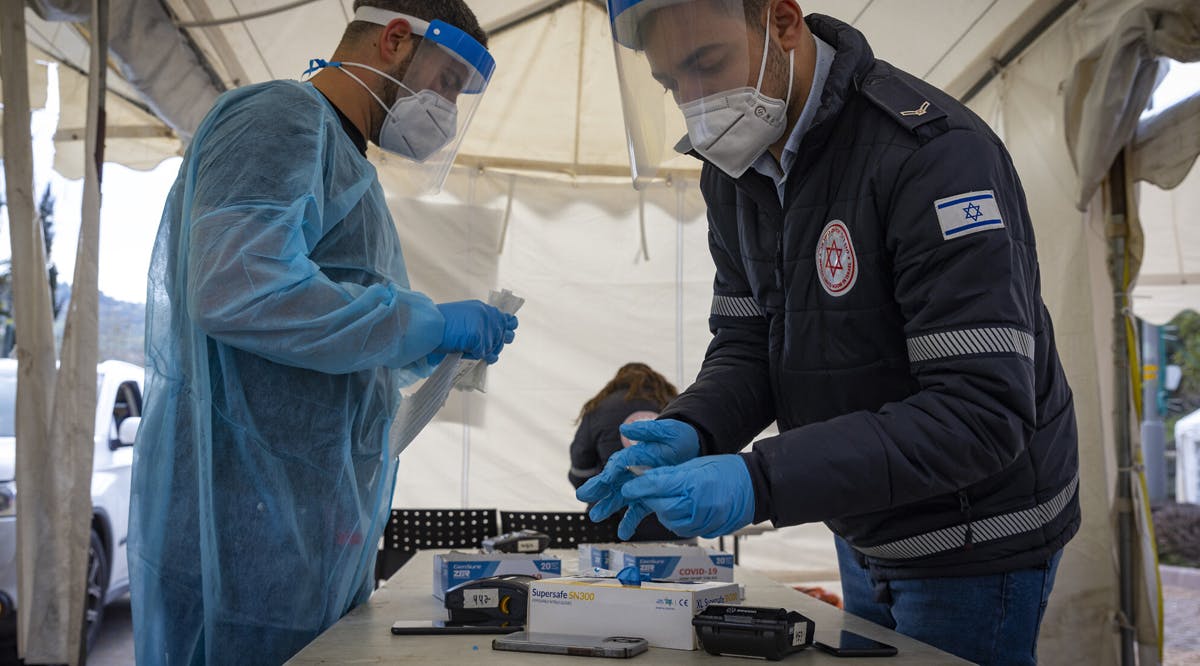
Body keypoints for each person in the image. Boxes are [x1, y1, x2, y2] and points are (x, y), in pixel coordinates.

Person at [579, 1, 1079, 663]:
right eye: (672, 85)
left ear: (783, 22)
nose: (696, 103)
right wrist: (694, 428)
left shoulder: (933, 154)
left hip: (974, 538)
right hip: (864, 517)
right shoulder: (734, 170)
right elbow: (749, 344)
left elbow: (979, 412)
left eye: (707, 64)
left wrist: (759, 482)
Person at [128, 2, 517, 664]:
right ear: (396, 39)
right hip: (240, 526)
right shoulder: (279, 121)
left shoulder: (345, 163)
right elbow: (238, 289)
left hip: (293, 528)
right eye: (448, 82)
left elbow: (326, 339)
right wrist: (421, 318)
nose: (447, 110)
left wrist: (426, 345)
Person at [569, 363, 679, 541]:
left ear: (617, 381)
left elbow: (580, 469)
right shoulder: (676, 404)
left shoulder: (599, 407)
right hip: (670, 521)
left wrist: (600, 489)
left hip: (609, 522)